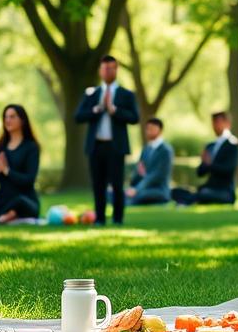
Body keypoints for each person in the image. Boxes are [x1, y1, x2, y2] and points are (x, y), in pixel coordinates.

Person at [74, 55, 139, 225]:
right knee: (98, 185)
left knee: (117, 185)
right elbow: (78, 116)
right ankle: (100, 218)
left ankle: (118, 219)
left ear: (116, 69)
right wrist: (97, 110)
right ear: (100, 70)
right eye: (104, 68)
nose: (107, 71)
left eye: (111, 68)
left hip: (116, 146)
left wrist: (114, 110)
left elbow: (134, 118)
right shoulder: (92, 93)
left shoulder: (126, 94)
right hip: (96, 146)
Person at [171, 111, 238, 206]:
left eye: (218, 122)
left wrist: (210, 164)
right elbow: (200, 172)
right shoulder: (210, 146)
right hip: (208, 187)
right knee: (175, 191)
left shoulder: (232, 143)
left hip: (224, 191)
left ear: (227, 123)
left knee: (204, 194)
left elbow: (229, 169)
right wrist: (204, 162)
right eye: (214, 122)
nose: (215, 126)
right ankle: (186, 199)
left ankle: (185, 201)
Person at [126, 118, 174, 205]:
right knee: (120, 193)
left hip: (159, 190)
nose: (148, 131)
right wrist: (132, 186)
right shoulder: (147, 148)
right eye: (147, 128)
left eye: (152, 128)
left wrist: (137, 189)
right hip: (144, 187)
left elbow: (157, 175)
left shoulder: (165, 150)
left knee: (138, 195)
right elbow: (140, 169)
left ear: (159, 130)